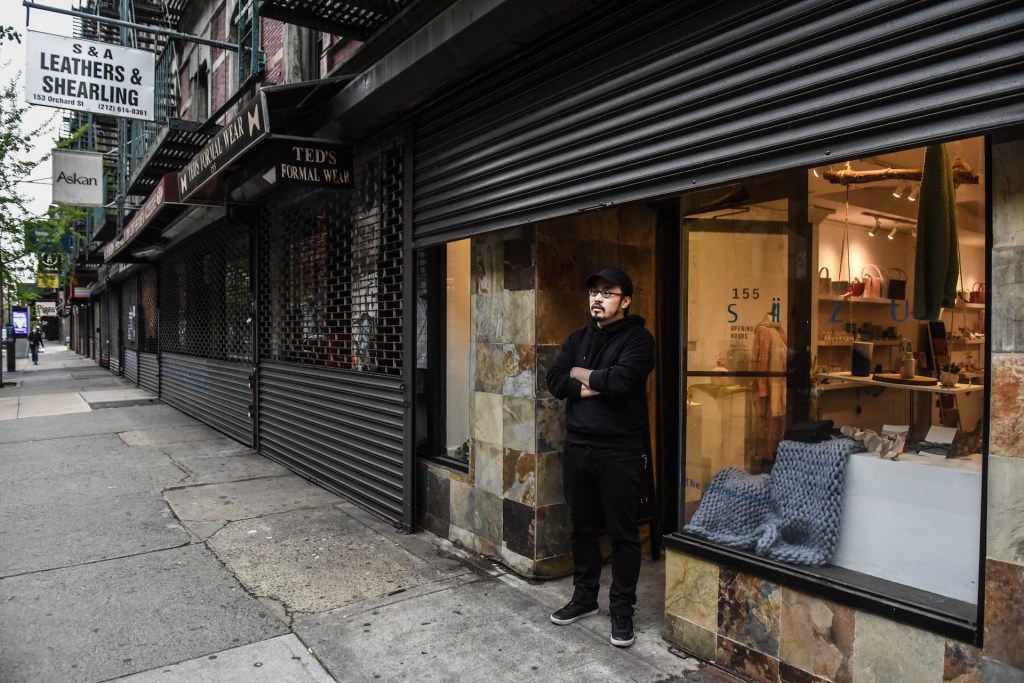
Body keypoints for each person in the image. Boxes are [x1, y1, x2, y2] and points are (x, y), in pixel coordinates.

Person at [546, 267, 655, 648]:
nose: (597, 298)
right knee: (583, 529)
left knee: (625, 536)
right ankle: (585, 598)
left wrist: (581, 374)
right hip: (578, 448)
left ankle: (622, 611)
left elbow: (621, 382)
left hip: (620, 452)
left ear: (625, 301)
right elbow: (556, 380)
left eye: (608, 292)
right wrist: (592, 377)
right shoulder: (577, 338)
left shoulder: (639, 340)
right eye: (593, 291)